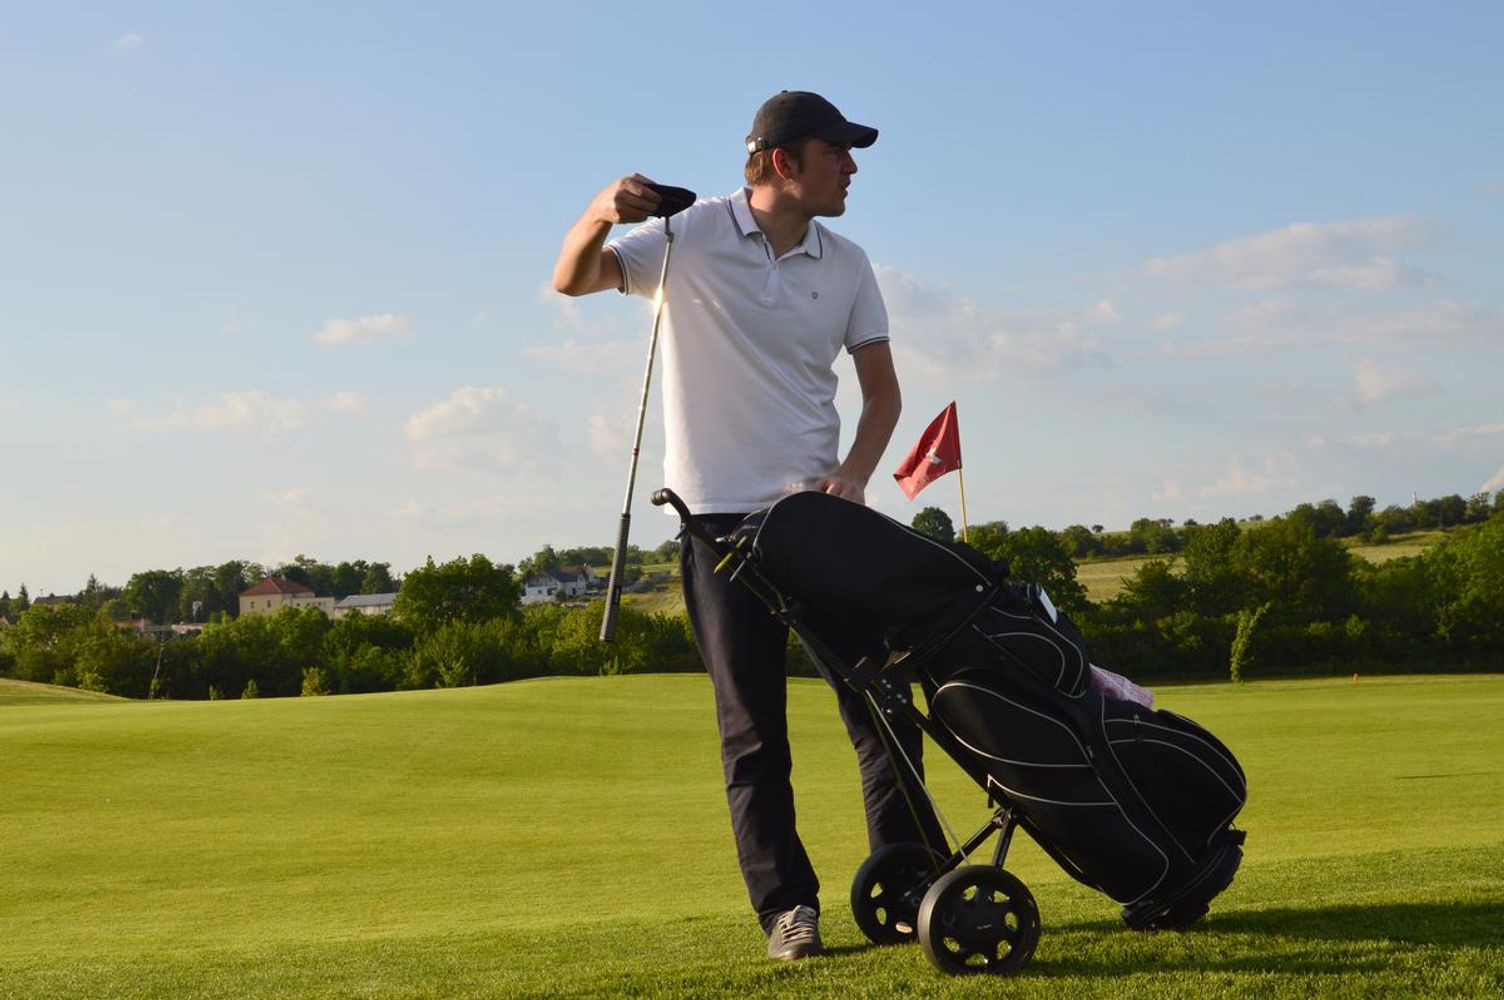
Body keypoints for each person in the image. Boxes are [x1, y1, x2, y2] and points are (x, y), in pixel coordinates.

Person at [552, 90, 945, 960]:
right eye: (836, 151)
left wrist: (854, 476)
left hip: (818, 520)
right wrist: (598, 210)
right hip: (717, 525)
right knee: (754, 734)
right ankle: (787, 911)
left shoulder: (849, 262)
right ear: (780, 162)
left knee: (883, 707)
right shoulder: (686, 236)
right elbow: (573, 278)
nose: (852, 167)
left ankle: (910, 886)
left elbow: (883, 396)